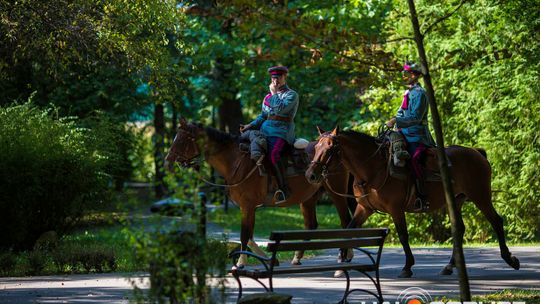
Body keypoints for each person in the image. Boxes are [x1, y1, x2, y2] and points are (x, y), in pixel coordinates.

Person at [240, 66, 299, 203]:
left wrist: (273, 94)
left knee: (273, 154)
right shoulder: (267, 97)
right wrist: (249, 125)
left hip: (282, 131)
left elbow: (280, 110)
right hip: (265, 130)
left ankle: (283, 189)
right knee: (247, 148)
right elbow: (263, 116)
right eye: (273, 78)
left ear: (284, 77)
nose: (275, 80)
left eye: (278, 77)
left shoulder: (291, 95)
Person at [385, 62, 435, 211]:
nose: (403, 77)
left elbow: (416, 118)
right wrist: (395, 120)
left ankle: (421, 196)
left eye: (405, 74)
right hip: (402, 133)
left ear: (414, 75)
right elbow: (401, 113)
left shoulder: (419, 93)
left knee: (414, 159)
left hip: (416, 135)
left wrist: (396, 120)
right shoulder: (408, 93)